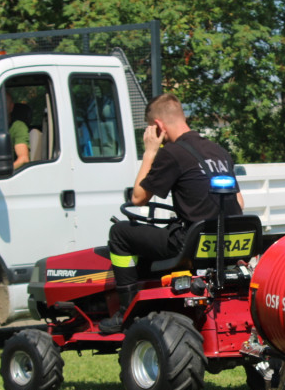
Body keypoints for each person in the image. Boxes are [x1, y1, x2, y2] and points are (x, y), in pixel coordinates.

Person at [99, 92, 243, 333]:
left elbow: (138, 198)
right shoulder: (218, 151)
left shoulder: (172, 153)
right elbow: (239, 202)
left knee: (120, 233)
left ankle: (125, 310)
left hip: (192, 243)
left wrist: (150, 152)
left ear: (158, 127)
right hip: (226, 242)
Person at [8, 103, 31, 169]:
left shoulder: (18, 126)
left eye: (2, 104)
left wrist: (4, 173)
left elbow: (23, 159)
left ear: (11, 107)